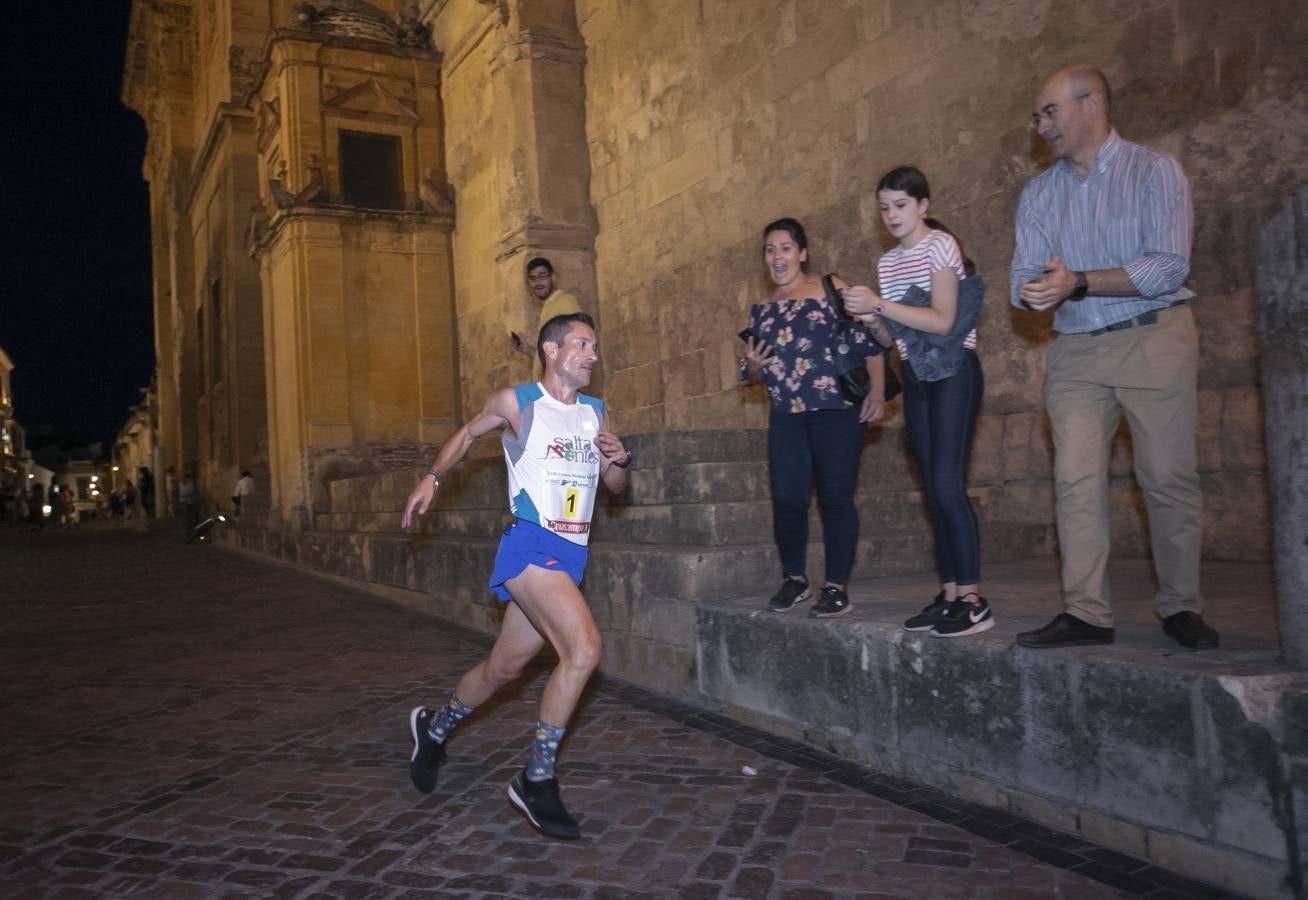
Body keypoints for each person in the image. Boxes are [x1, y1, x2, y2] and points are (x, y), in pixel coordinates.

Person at [402, 312, 631, 838]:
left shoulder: (596, 412)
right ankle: (537, 777)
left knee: (503, 670)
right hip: (530, 544)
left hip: (571, 555)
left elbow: (614, 486)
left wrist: (621, 458)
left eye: (594, 346)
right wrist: (431, 479)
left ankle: (433, 730)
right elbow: (466, 435)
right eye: (582, 344)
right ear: (551, 351)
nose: (592, 354)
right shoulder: (518, 402)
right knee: (584, 650)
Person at [1010, 65, 1215, 650]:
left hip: (1155, 339)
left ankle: (1181, 606)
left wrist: (1077, 281)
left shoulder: (1154, 171)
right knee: (1074, 480)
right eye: (1037, 114)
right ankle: (1087, 613)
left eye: (1049, 111)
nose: (1040, 124)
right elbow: (1022, 277)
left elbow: (1168, 266)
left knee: (1168, 477)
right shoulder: (1039, 193)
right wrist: (1035, 288)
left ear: (1091, 103)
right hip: (1075, 350)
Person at [842, 167, 992, 638]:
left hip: (953, 372)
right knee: (931, 487)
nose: (891, 215)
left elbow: (944, 320)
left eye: (900, 205)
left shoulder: (940, 246)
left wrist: (881, 306)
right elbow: (895, 335)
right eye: (884, 207)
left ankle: (972, 599)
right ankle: (949, 594)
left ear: (923, 206)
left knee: (948, 483)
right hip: (916, 374)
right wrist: (869, 319)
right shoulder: (888, 264)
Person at [739, 218, 886, 619]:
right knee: (788, 499)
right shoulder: (763, 311)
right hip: (787, 415)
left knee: (836, 498)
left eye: (785, 247)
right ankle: (795, 579)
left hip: (836, 410)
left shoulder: (830, 288)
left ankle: (836, 585)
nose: (778, 257)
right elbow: (752, 373)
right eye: (770, 250)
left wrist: (877, 390)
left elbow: (869, 342)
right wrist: (752, 365)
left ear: (802, 252)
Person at [511, 257, 582, 382]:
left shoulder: (563, 301)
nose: (537, 283)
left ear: (553, 278)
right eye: (532, 278)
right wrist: (527, 350)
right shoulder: (549, 306)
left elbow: (578, 344)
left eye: (542, 276)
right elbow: (550, 358)